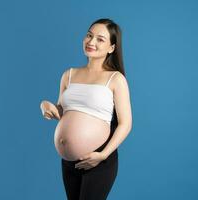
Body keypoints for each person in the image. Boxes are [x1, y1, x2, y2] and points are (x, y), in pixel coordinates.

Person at [40, 18, 132, 200]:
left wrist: (103, 155)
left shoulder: (115, 79)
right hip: (69, 162)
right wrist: (45, 105)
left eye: (100, 39)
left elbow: (126, 123)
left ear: (111, 48)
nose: (91, 42)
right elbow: (62, 112)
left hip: (98, 159)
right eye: (89, 36)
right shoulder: (69, 74)